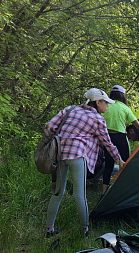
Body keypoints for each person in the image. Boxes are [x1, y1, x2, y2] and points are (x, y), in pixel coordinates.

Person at [44, 88, 125, 237]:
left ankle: (49, 229)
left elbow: (49, 127)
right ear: (97, 102)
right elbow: (107, 143)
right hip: (77, 155)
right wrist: (119, 159)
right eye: (106, 102)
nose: (107, 105)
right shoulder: (98, 119)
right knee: (79, 195)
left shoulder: (71, 109)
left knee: (57, 193)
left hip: (60, 155)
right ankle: (84, 230)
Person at [101, 85, 139, 194]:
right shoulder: (124, 108)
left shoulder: (105, 106)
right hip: (121, 138)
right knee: (125, 164)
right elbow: (138, 126)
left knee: (108, 165)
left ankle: (104, 192)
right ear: (123, 96)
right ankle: (124, 190)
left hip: (108, 139)